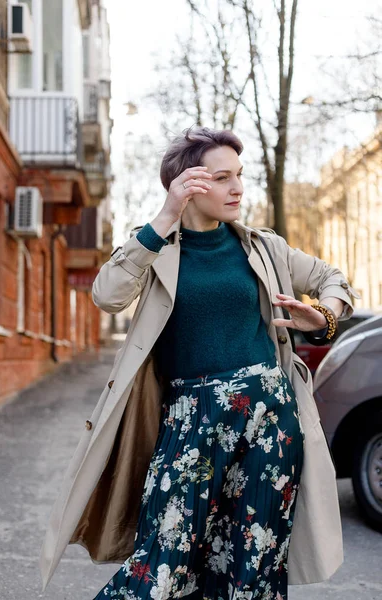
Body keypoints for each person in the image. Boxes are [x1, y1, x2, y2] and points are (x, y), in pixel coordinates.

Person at [40, 127, 359, 599]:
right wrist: (166, 215)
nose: (237, 188)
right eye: (222, 177)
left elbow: (334, 279)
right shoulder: (154, 250)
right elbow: (106, 295)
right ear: (188, 184)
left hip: (270, 420)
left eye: (240, 176)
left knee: (254, 562)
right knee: (162, 563)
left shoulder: (262, 246)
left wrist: (324, 316)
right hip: (193, 420)